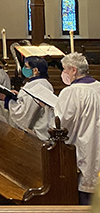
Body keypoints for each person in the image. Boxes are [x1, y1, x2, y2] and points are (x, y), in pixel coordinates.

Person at [53, 52, 100, 205]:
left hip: (83, 151)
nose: (64, 73)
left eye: (65, 70)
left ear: (73, 70)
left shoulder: (71, 92)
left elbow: (61, 125)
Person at [6, 56, 53, 141]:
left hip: (37, 132)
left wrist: (8, 101)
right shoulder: (42, 82)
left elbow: (25, 112)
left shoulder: (37, 86)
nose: (24, 69)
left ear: (35, 70)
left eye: (26, 67)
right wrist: (18, 97)